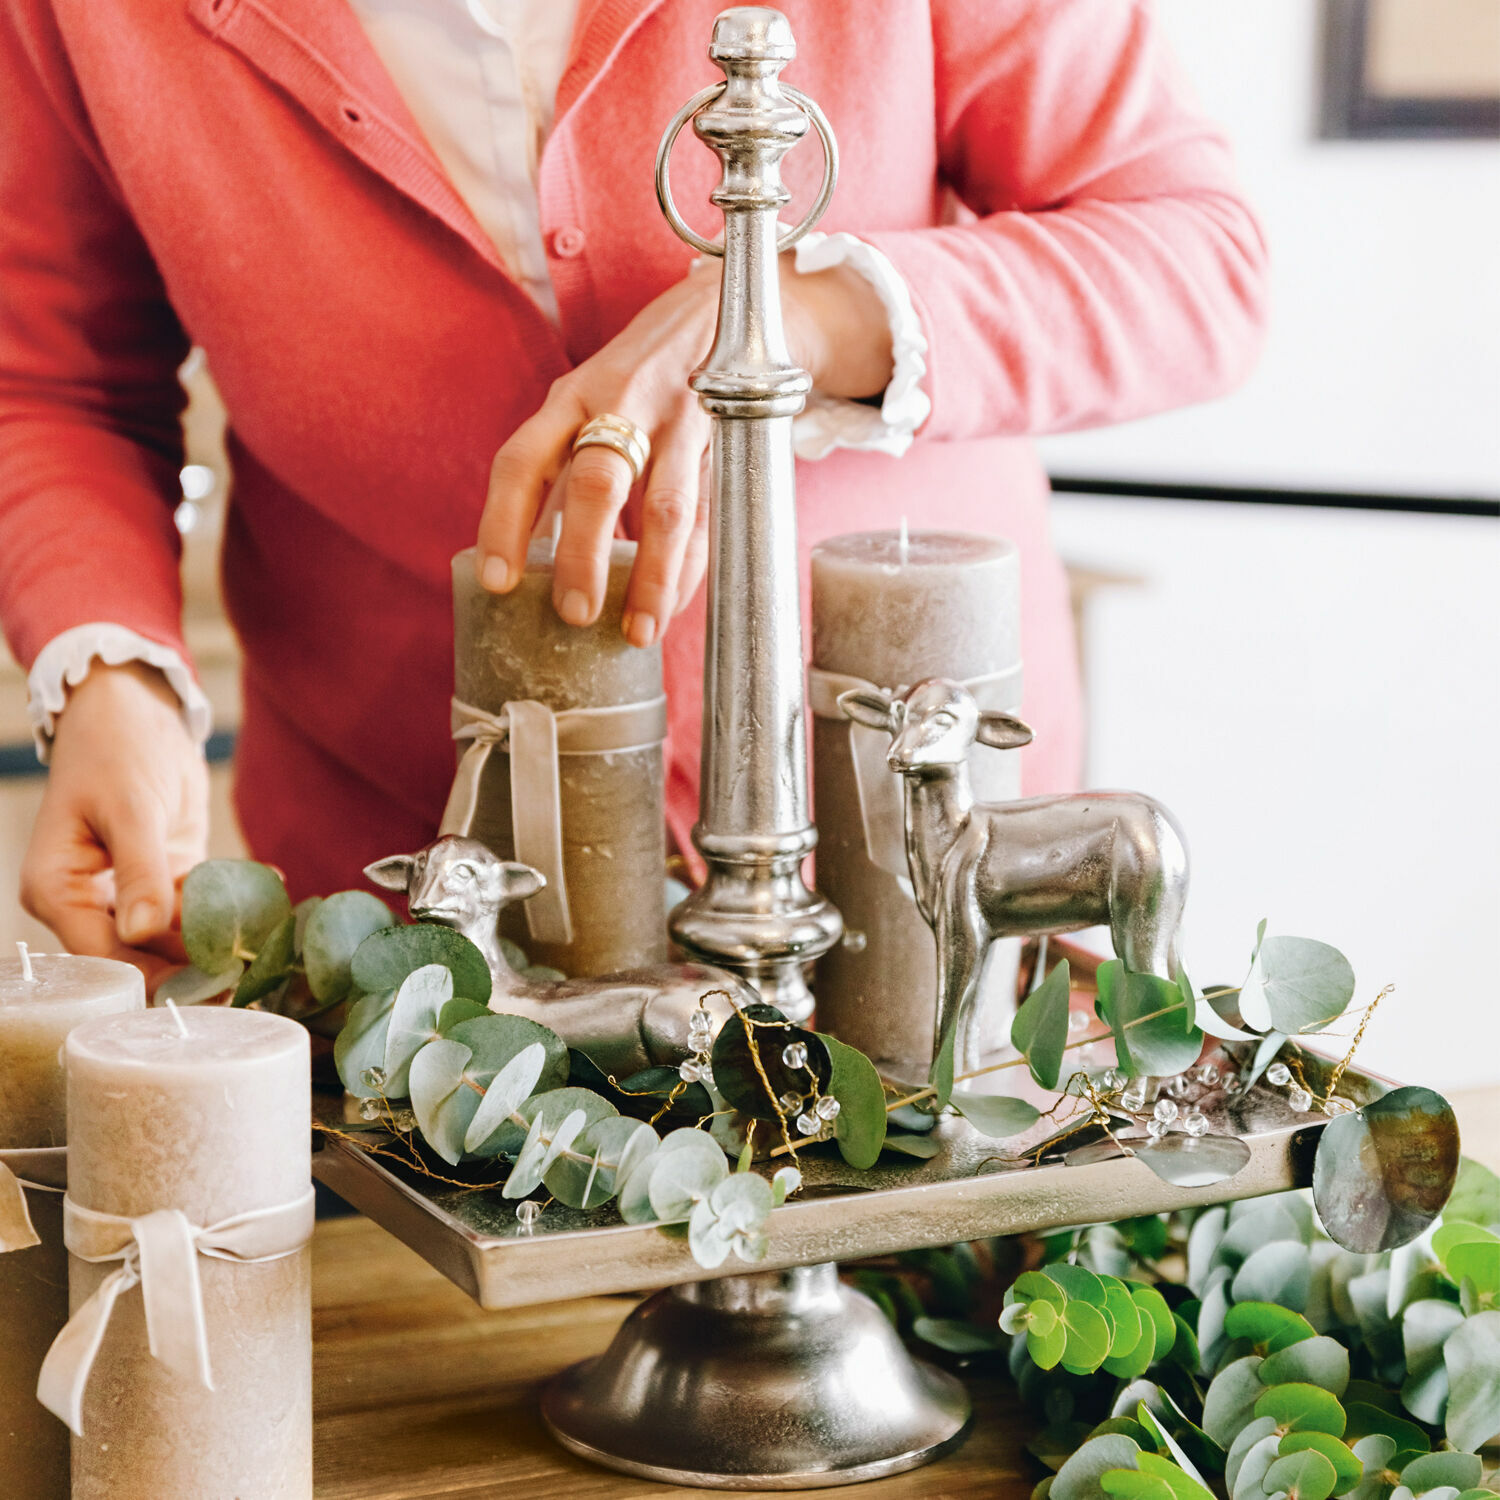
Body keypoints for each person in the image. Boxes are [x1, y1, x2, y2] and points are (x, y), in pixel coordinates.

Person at [0, 0, 1267, 983]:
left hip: (914, 872)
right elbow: (51, 385)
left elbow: (1198, 257)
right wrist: (106, 667)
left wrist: (792, 316)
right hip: (413, 918)